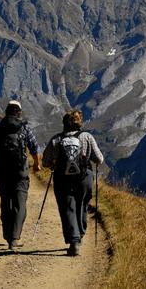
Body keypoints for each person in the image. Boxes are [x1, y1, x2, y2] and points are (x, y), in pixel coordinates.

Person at [42, 110, 104, 256]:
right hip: (84, 177)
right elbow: (99, 159)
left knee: (67, 207)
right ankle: (80, 233)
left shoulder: (56, 139)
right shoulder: (87, 137)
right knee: (82, 204)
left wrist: (54, 163)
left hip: (62, 178)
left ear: (64, 123)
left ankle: (74, 240)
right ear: (79, 122)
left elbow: (45, 162)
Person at [0, 101, 41, 250]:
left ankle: (7, 236)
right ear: (19, 113)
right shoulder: (24, 128)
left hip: (3, 171)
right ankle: (15, 238)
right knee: (20, 203)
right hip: (20, 171)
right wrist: (36, 164)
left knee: (5, 202)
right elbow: (35, 147)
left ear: (6, 111)